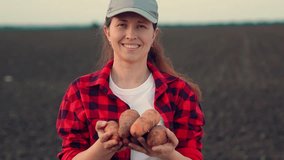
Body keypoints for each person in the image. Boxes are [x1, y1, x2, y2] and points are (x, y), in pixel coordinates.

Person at [56, 0, 205, 160]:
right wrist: (102, 148)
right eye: (122, 25)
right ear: (107, 32)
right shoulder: (81, 93)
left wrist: (169, 155)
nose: (131, 35)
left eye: (141, 26)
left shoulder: (179, 93)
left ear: (153, 34)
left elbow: (192, 155)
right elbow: (69, 154)